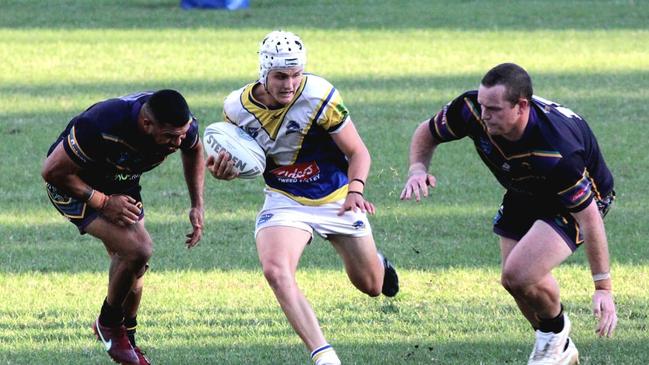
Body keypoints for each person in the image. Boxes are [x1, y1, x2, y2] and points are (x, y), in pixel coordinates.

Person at [400, 63, 617, 365]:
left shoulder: (556, 151)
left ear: (521, 106)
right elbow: (427, 131)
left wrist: (602, 287)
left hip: (575, 199)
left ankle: (555, 338)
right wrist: (417, 169)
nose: (485, 115)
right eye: (483, 105)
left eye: (495, 109)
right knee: (514, 282)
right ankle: (556, 343)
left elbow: (589, 218)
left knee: (520, 272)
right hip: (524, 187)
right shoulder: (471, 109)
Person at [207, 30, 399, 365]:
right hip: (285, 199)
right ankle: (324, 355)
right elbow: (242, 158)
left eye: (296, 75)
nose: (289, 84)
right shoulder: (235, 109)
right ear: (263, 73)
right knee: (276, 271)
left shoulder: (319, 95)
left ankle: (378, 264)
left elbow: (358, 152)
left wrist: (356, 191)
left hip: (338, 197)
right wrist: (225, 171)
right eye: (281, 76)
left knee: (371, 285)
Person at [41, 89, 205, 365]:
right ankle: (108, 324)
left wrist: (196, 204)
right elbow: (52, 171)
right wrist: (103, 202)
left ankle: (127, 339)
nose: (178, 142)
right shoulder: (101, 124)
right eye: (170, 137)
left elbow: (194, 149)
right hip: (74, 184)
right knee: (138, 250)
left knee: (135, 269)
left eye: (181, 134)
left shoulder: (181, 127)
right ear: (146, 124)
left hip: (120, 183)